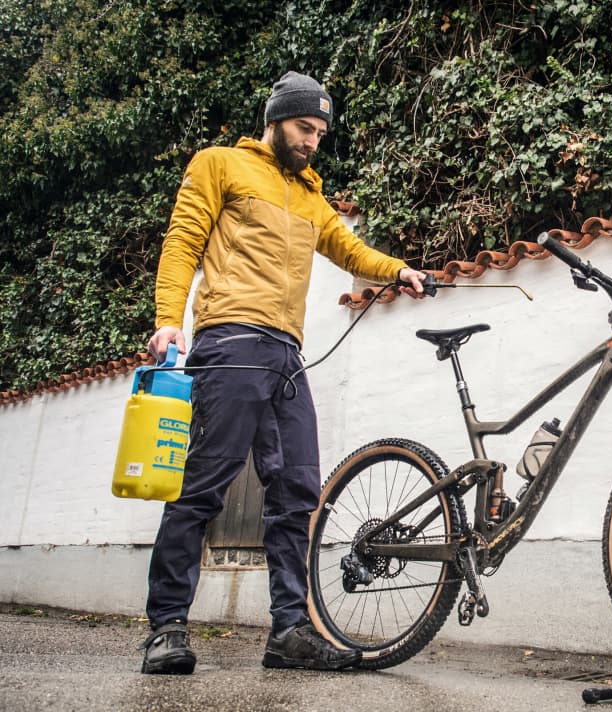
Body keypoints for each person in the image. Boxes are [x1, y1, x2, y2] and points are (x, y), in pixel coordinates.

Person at [139, 71, 425, 675]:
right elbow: (182, 240)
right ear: (273, 121)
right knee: (202, 488)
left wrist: (396, 270)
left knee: (297, 489)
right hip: (230, 339)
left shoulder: (312, 197)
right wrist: (169, 319)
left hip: (287, 356)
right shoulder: (219, 164)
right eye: (303, 127)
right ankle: (166, 629)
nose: (312, 140)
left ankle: (289, 631)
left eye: (320, 131)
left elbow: (350, 250)